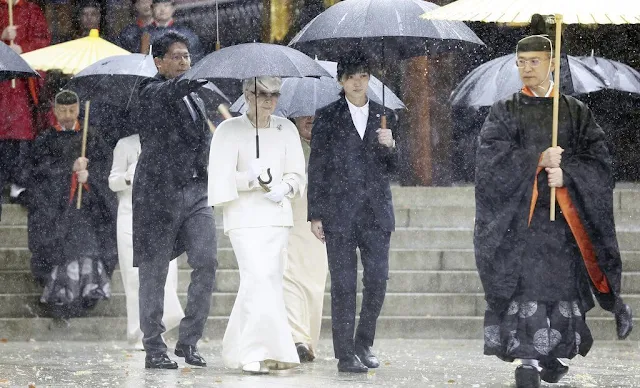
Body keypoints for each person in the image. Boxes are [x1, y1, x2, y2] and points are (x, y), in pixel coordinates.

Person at [474, 35, 633, 388]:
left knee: (560, 290)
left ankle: (555, 354)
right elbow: (489, 164)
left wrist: (569, 174)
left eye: (534, 61)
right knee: (526, 290)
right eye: (521, 62)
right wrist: (536, 161)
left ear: (551, 64)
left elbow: (599, 162)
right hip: (522, 222)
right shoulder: (505, 111)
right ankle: (527, 360)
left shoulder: (576, 112)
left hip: (563, 223)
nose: (526, 68)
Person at [307, 52, 398, 373]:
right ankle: (345, 354)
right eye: (351, 77)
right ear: (341, 81)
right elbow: (316, 166)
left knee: (377, 280)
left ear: (370, 78)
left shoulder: (385, 115)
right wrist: (315, 214)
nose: (357, 82)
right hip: (339, 212)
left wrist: (391, 147)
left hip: (376, 212)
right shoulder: (328, 116)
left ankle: (364, 343)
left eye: (363, 76)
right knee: (344, 284)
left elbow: (395, 169)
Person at [208, 76, 305, 374]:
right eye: (262, 94)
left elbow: (297, 173)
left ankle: (262, 350)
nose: (269, 100)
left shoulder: (286, 128)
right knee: (258, 277)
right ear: (247, 95)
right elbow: (218, 180)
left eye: (274, 94)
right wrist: (249, 177)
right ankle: (253, 351)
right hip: (243, 219)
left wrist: (285, 187)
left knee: (267, 283)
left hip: (276, 216)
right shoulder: (228, 130)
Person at [134, 31, 216, 370]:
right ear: (159, 61)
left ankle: (189, 340)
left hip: (196, 191)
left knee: (207, 261)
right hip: (158, 193)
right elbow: (172, 90)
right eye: (178, 56)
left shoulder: (195, 95)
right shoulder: (149, 91)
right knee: (154, 272)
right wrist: (201, 76)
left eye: (188, 56)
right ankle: (154, 346)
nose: (185, 62)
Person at [25, 90, 118, 318]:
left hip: (88, 209)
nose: (67, 115)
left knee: (88, 247)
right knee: (60, 250)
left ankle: (88, 294)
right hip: (57, 210)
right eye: (63, 110)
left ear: (79, 109)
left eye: (72, 110)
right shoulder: (44, 140)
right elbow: (37, 174)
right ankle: (61, 300)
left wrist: (90, 177)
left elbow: (107, 170)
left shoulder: (92, 137)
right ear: (54, 111)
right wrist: (69, 170)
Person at [109, 133, 184, 349]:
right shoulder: (124, 144)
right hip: (130, 213)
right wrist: (127, 178)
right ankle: (139, 331)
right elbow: (113, 181)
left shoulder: (166, 142)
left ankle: (159, 325)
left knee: (166, 271)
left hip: (159, 212)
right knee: (133, 276)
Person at [283, 115, 328, 362]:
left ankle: (308, 340)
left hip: (319, 220)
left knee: (313, 283)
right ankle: (296, 338)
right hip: (289, 216)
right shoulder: (284, 138)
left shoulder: (330, 142)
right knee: (289, 277)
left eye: (316, 112)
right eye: (304, 112)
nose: (310, 117)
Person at [0, 0, 50, 219]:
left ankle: (19, 183)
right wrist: (2, 38)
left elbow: (43, 42)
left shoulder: (32, 11)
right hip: (2, 83)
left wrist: (23, 49)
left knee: (21, 131)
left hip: (20, 84)